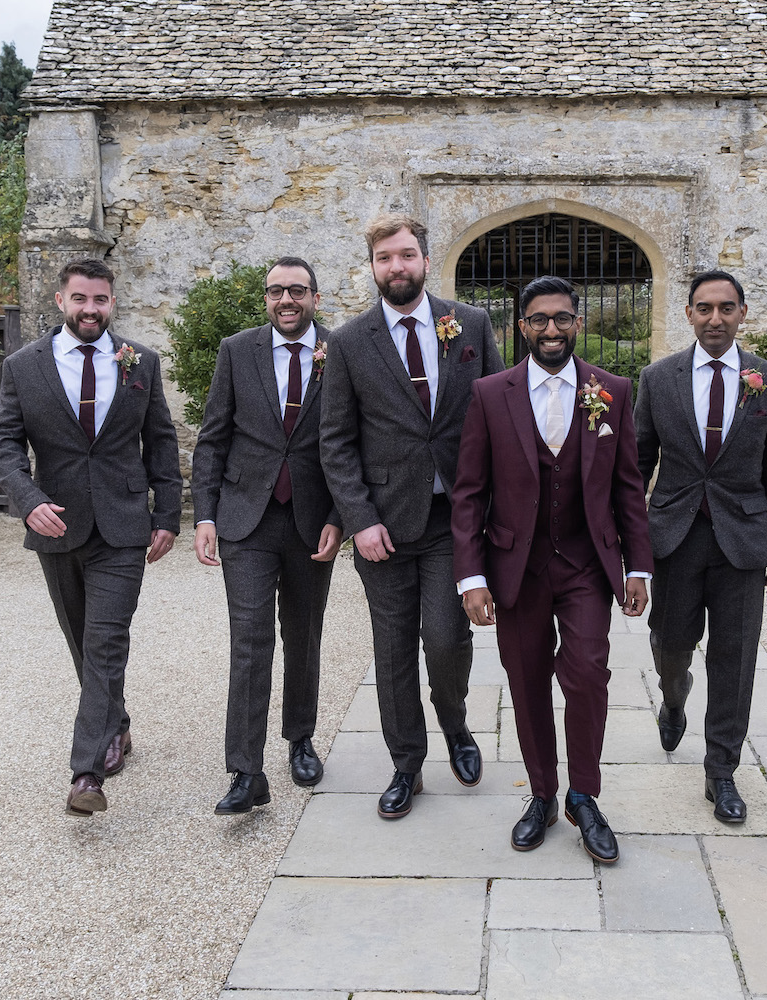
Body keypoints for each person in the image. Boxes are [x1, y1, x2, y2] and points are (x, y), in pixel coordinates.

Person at [451, 275, 653, 862]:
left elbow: (628, 488)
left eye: (562, 318)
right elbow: (469, 492)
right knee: (527, 680)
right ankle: (541, 793)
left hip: (586, 562)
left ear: (577, 323)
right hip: (516, 566)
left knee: (589, 673)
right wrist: (472, 576)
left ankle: (583, 795)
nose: (551, 330)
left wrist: (637, 565)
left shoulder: (611, 390)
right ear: (522, 327)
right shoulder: (491, 393)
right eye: (538, 320)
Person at [319, 214, 505, 819]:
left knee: (448, 640)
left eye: (405, 256)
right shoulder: (348, 343)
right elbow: (336, 442)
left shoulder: (470, 325)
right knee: (392, 648)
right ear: (372, 267)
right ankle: (406, 763)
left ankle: (455, 725)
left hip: (456, 519)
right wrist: (358, 518)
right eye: (384, 259)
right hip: (385, 526)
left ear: (425, 260)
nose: (395, 267)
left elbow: (499, 417)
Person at [0, 257, 181, 816]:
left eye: (100, 300)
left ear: (112, 303)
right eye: (80, 300)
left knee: (105, 641)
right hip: (58, 525)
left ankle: (87, 772)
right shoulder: (24, 366)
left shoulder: (140, 362)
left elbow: (161, 443)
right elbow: (4, 446)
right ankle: (114, 723)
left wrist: (166, 515)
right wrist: (29, 504)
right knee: (81, 640)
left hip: (123, 528)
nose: (90, 309)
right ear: (61, 301)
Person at [634, 269, 767, 823]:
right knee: (670, 642)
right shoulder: (658, 379)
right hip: (675, 537)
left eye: (726, 308)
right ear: (689, 314)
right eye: (704, 308)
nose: (715, 319)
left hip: (744, 541)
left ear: (742, 313)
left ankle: (721, 771)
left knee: (737, 658)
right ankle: (673, 697)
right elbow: (636, 466)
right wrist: (633, 547)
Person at [190, 256, 343, 815]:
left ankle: (300, 738)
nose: (286, 300)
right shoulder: (238, 351)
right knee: (250, 640)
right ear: (266, 298)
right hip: (245, 519)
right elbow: (212, 438)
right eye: (276, 290)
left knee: (303, 635)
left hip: (313, 520)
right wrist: (204, 515)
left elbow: (352, 441)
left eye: (297, 291)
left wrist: (341, 518)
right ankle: (245, 771)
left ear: (315, 298)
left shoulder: (340, 350)